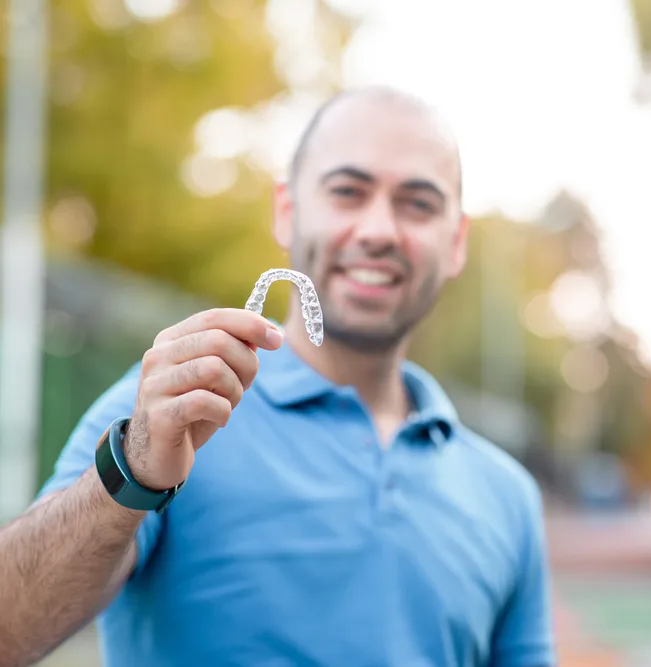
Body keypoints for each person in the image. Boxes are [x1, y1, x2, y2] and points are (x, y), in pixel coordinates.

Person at [0, 86, 555, 667]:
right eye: (348, 191)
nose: (379, 230)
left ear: (456, 241)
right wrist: (132, 473)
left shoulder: (506, 497)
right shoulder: (169, 410)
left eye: (418, 203)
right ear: (287, 212)